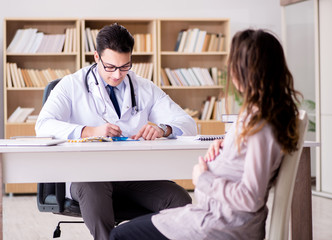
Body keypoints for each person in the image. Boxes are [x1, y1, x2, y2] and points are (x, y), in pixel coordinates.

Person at [109, 29, 302, 240]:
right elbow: (246, 161)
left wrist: (204, 178)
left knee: (120, 235)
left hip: (219, 224)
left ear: (244, 72)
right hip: (215, 217)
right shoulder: (260, 117)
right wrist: (227, 148)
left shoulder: (261, 127)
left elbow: (251, 198)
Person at [35, 23, 197, 240]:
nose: (117, 75)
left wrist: (163, 129)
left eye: (124, 66)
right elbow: (43, 125)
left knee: (179, 200)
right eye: (110, 67)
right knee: (93, 190)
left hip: (133, 173)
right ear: (96, 57)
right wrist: (88, 131)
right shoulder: (71, 86)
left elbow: (186, 123)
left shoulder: (144, 87)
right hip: (88, 175)